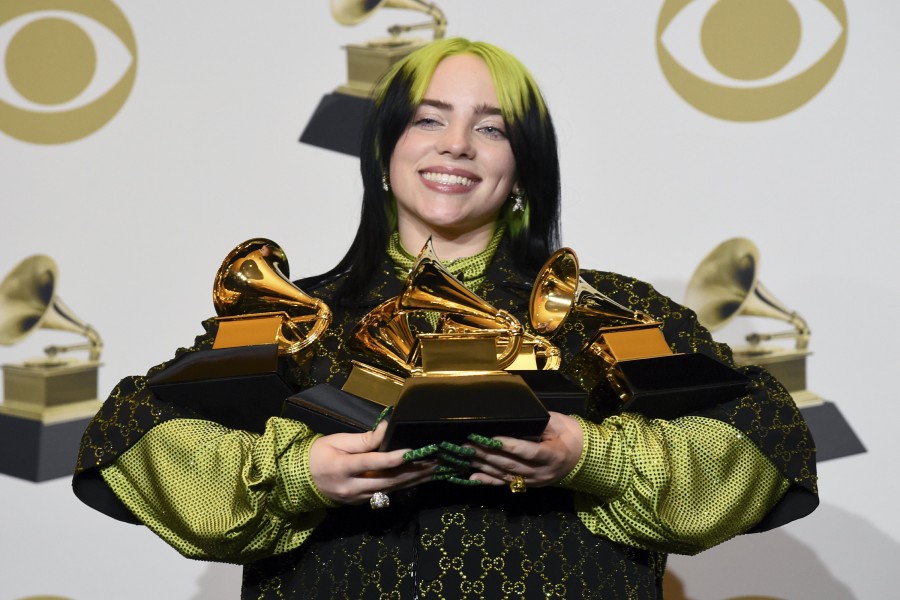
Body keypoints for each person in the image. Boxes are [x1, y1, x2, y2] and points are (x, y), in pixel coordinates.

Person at [72, 38, 818, 599]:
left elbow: (764, 438)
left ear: (524, 165)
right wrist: (300, 473)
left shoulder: (611, 312)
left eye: (492, 128)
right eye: (429, 119)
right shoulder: (290, 315)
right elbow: (131, 435)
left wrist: (590, 457)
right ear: (385, 148)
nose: (457, 144)